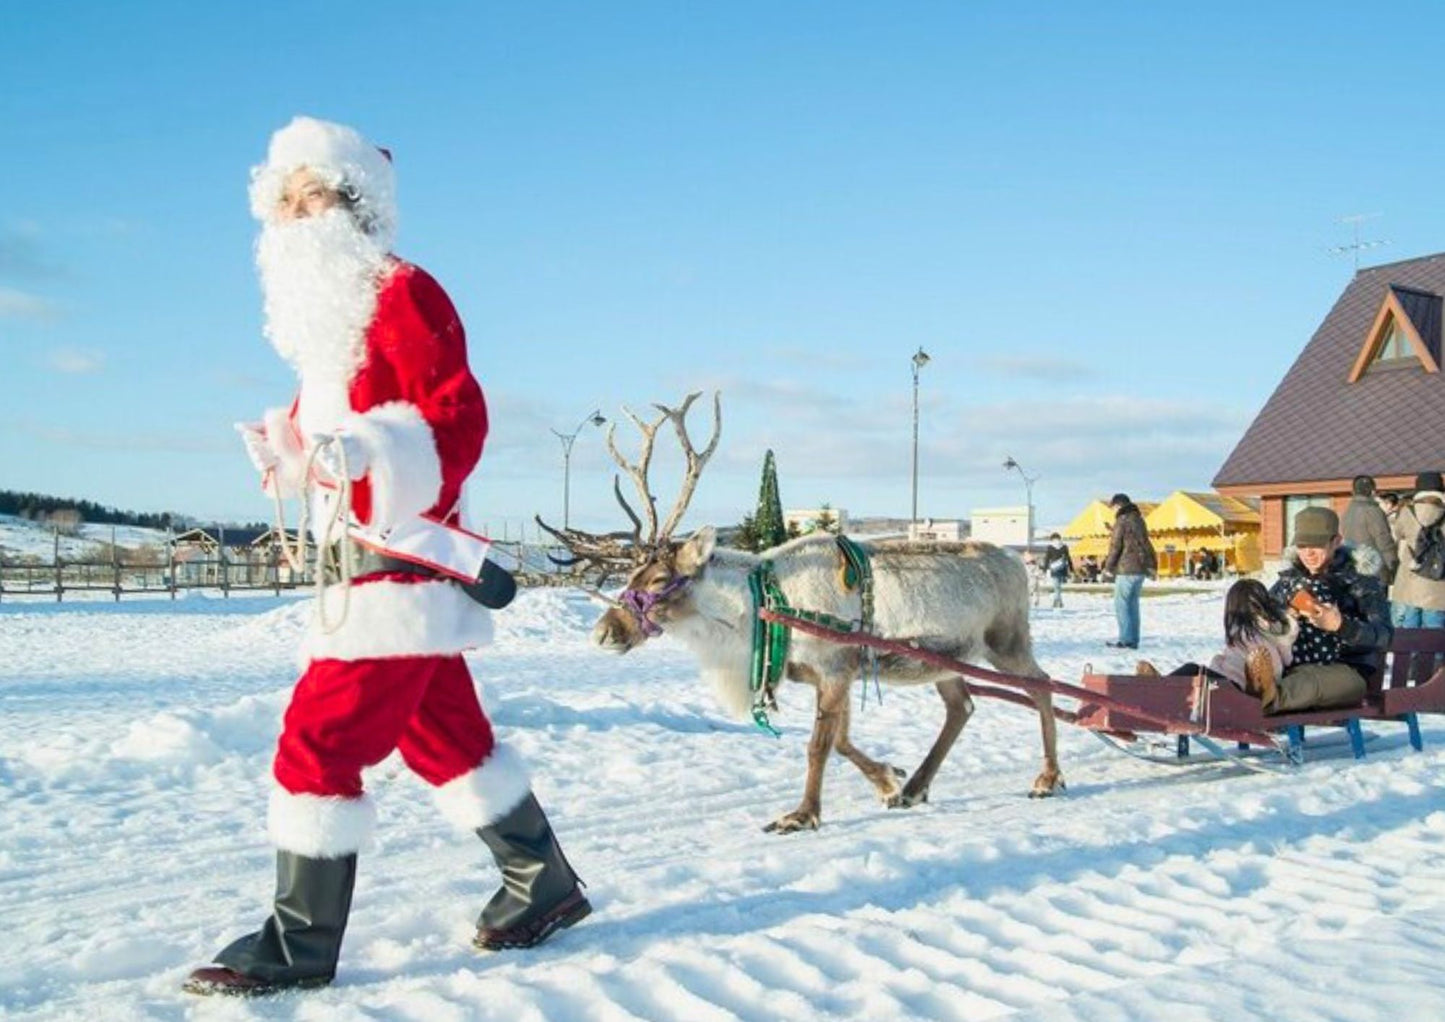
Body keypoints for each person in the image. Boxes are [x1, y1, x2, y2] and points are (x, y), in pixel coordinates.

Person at [185, 117, 589, 998]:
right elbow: (338, 446)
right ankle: (542, 880)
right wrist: (290, 449)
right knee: (447, 740)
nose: (295, 216)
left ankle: (297, 947)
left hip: (398, 572)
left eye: (313, 196)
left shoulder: (400, 290)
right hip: (367, 564)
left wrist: (373, 456)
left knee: (313, 745)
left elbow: (455, 418)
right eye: (283, 202)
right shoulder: (326, 327)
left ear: (354, 206)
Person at [1262, 506, 1392, 713]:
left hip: (1347, 670)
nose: (1308, 553)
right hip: (1290, 667)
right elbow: (1259, 622)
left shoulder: (1360, 582)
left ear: (1336, 541)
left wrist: (1342, 626)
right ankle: (1214, 690)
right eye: (1302, 545)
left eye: (1317, 545)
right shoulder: (1288, 581)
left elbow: (1384, 636)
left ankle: (1253, 702)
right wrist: (1281, 619)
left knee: (1307, 684)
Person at [1136, 579, 1297, 697]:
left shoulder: (1257, 633)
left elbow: (1271, 665)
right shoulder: (1256, 631)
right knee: (1194, 680)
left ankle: (1155, 691)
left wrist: (1261, 683)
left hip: (1238, 690)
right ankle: (1156, 690)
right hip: (1231, 684)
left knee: (1192, 670)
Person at [1390, 472, 1445, 629]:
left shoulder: (1407, 512)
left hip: (1410, 583)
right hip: (1439, 584)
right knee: (1435, 639)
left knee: (1410, 634)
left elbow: (1395, 537)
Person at [1103, 492, 1156, 649]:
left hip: (1126, 569)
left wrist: (1108, 568)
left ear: (1118, 505)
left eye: (1113, 507)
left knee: (1122, 604)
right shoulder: (1139, 520)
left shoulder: (1122, 520)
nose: (1113, 511)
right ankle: (1133, 639)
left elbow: (1116, 546)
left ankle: (1125, 639)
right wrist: (1151, 565)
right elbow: (1146, 543)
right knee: (1133, 605)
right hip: (1140, 569)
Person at [1342, 474, 1398, 586]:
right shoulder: (1373, 511)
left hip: (1354, 565)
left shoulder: (1348, 511)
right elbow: (1384, 541)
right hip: (1374, 568)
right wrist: (1394, 565)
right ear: (1373, 491)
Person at [1040, 532, 1074, 609]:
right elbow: (1068, 558)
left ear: (1052, 539)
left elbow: (1047, 559)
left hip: (1054, 568)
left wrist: (1044, 570)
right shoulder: (1064, 546)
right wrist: (1071, 569)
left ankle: (1056, 602)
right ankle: (1059, 602)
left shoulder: (1050, 547)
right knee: (1058, 586)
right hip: (1062, 568)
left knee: (1056, 586)